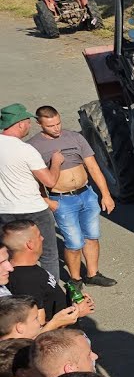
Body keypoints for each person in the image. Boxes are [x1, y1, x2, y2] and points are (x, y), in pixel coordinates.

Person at [28, 106, 117, 286]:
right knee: (74, 242)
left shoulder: (75, 137)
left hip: (86, 194)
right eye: (51, 125)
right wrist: (47, 201)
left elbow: (93, 167)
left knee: (92, 236)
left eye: (58, 123)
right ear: (39, 124)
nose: (57, 128)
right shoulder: (33, 146)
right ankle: (74, 278)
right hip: (61, 199)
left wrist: (105, 195)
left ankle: (92, 274)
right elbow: (32, 178)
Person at [0, 104, 60, 278]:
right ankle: (51, 294)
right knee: (48, 254)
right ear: (19, 123)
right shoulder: (25, 149)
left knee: (10, 254)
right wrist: (56, 162)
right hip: (33, 209)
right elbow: (49, 180)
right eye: (27, 121)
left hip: (4, 210)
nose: (29, 125)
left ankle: (16, 293)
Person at [1, 220, 90, 327]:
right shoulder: (26, 280)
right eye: (38, 235)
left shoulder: (28, 269)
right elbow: (37, 328)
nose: (42, 238)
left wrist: (72, 301)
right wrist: (76, 313)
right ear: (30, 244)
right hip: (60, 340)